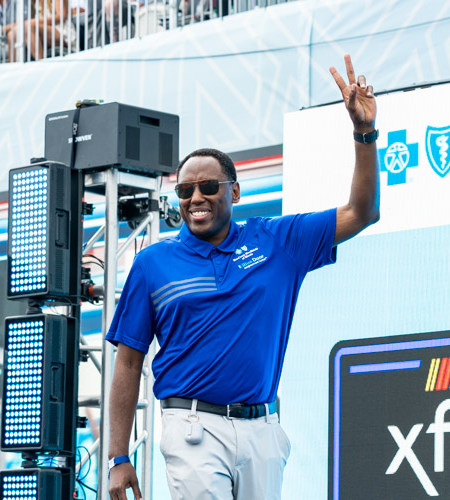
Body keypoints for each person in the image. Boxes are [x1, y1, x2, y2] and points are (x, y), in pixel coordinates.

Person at [106, 54, 379, 500]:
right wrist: (119, 458)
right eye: (185, 190)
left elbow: (362, 212)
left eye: (208, 187)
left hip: (262, 429)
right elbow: (129, 363)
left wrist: (363, 133)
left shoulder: (278, 240)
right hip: (192, 427)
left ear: (234, 191)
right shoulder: (152, 263)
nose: (196, 197)